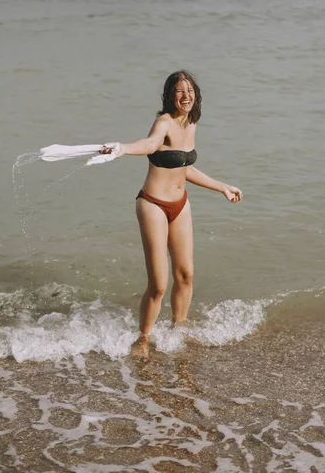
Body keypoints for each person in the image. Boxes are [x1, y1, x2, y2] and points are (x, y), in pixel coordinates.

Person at [100, 70, 243, 357]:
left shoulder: (191, 123)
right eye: (179, 91)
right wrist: (123, 149)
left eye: (189, 90)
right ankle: (143, 339)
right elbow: (151, 145)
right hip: (152, 204)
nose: (186, 95)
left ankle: (179, 331)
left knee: (186, 275)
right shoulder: (163, 122)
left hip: (180, 205)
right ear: (170, 96)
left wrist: (222, 187)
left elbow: (185, 168)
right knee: (159, 285)